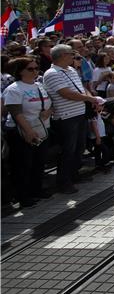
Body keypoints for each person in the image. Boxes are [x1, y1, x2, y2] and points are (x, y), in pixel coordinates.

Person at [42, 44, 103, 194]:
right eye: (71, 54)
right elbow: (66, 93)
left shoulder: (71, 70)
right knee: (68, 150)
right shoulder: (51, 73)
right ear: (62, 55)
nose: (74, 57)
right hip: (66, 117)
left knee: (79, 147)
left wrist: (92, 99)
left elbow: (81, 89)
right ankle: (63, 181)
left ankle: (73, 175)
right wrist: (90, 99)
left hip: (79, 114)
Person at [2, 57, 53, 206]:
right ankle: (23, 195)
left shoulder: (39, 85)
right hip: (22, 132)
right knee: (23, 165)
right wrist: (28, 131)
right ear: (20, 72)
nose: (35, 71)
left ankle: (37, 189)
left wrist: (48, 112)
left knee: (39, 162)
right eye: (30, 69)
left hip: (42, 129)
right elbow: (16, 112)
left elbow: (50, 103)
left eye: (37, 68)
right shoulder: (14, 89)